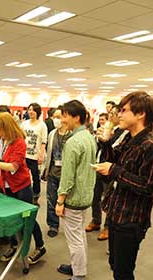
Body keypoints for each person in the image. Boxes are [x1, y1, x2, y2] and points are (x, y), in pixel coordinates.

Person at [94, 91, 153, 280]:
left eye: (124, 110)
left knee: (123, 272)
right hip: (116, 213)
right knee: (115, 265)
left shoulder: (151, 146)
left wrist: (115, 170)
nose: (119, 115)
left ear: (140, 113)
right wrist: (106, 144)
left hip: (131, 219)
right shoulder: (128, 138)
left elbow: (148, 187)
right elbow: (113, 164)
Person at [0, 112, 46, 264]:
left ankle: (40, 246)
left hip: (21, 186)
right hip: (6, 186)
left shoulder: (19, 142)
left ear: (7, 127)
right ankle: (14, 244)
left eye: (0, 129)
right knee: (11, 217)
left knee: (28, 218)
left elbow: (13, 166)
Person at [55, 100, 97, 280]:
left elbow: (67, 176)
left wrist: (60, 200)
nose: (62, 119)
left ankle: (78, 274)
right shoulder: (89, 137)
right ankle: (78, 267)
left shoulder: (73, 141)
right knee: (79, 234)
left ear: (76, 117)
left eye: (65, 116)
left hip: (74, 198)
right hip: (86, 195)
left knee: (74, 238)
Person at [86, 104, 126, 241]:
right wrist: (99, 137)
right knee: (95, 196)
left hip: (111, 169)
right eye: (110, 113)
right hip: (99, 164)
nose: (112, 116)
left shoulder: (122, 132)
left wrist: (107, 140)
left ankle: (107, 226)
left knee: (109, 198)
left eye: (114, 113)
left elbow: (114, 152)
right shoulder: (105, 128)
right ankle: (96, 220)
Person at [44, 106, 72, 237]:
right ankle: (53, 225)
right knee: (51, 199)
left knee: (67, 202)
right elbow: (49, 153)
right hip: (53, 172)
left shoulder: (72, 135)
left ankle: (68, 226)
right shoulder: (52, 133)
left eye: (59, 116)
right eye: (54, 116)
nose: (56, 119)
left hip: (67, 174)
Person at [21, 103, 47, 204]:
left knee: (35, 176)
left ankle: (36, 195)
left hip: (35, 155)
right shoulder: (24, 123)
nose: (31, 112)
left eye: (33, 110)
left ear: (38, 112)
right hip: (24, 154)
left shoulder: (42, 125)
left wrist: (41, 155)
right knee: (24, 175)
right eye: (29, 110)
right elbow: (20, 137)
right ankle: (25, 193)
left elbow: (44, 141)